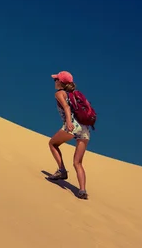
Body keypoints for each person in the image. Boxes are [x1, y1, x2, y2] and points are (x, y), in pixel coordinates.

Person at [46, 71, 90, 200]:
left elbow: (66, 107)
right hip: (85, 128)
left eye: (56, 80)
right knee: (78, 162)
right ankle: (82, 190)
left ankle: (62, 171)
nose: (54, 82)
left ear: (61, 82)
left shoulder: (60, 93)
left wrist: (69, 123)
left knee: (52, 143)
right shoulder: (74, 95)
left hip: (72, 125)